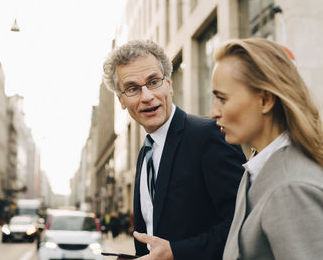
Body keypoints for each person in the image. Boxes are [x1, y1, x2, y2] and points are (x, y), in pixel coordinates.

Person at [209, 38, 323, 260]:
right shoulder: (260, 168)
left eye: (222, 98)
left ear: (265, 101)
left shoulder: (291, 189)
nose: (213, 112)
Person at [102, 40, 245, 260]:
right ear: (121, 100)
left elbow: (242, 224)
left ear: (169, 84)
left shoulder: (210, 135)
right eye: (132, 89)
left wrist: (175, 252)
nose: (147, 96)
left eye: (153, 82)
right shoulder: (145, 154)